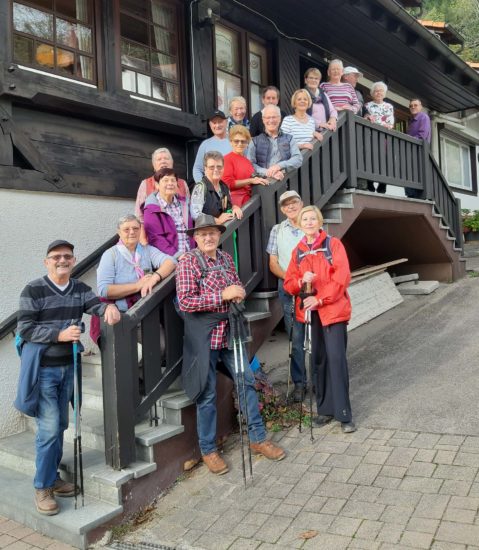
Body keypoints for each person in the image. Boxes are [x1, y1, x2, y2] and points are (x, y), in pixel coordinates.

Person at [16, 240, 121, 515]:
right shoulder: (33, 290)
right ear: (46, 262)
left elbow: (96, 305)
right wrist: (59, 335)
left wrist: (108, 309)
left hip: (69, 368)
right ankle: (42, 486)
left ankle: (52, 477)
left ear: (73, 261)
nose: (62, 260)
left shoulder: (79, 289)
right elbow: (25, 328)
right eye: (56, 257)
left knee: (60, 425)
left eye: (67, 256)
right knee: (50, 429)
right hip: (44, 371)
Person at [176, 214, 286, 474]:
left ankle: (258, 438)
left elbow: (236, 284)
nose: (208, 237)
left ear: (218, 235)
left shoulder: (225, 258)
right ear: (195, 237)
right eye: (203, 234)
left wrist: (238, 293)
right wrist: (222, 295)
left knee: (246, 382)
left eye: (212, 233)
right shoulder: (189, 262)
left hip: (230, 334)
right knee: (207, 394)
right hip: (205, 338)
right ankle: (208, 450)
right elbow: (185, 301)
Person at [284, 206, 356, 434]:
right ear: (299, 224)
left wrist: (320, 298)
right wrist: (301, 281)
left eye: (312, 218)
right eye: (304, 219)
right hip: (310, 313)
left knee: (336, 359)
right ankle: (325, 410)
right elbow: (289, 284)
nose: (308, 222)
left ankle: (344, 413)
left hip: (332, 310)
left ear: (319, 221)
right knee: (319, 361)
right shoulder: (298, 251)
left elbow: (342, 277)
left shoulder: (333, 245)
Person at [266, 191, 306, 402]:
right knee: (296, 338)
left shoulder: (311, 224)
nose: (291, 207)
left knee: (317, 337)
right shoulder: (277, 230)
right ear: (282, 209)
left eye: (294, 202)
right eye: (286, 204)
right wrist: (291, 280)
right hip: (288, 287)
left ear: (301, 203)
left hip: (313, 287)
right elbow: (273, 263)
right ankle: (300, 383)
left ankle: (322, 380)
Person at [97, 215, 176, 312]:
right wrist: (137, 286)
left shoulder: (147, 250)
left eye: (135, 228)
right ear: (119, 232)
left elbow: (171, 262)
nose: (132, 232)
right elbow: (104, 290)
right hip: (122, 313)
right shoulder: (110, 254)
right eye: (126, 229)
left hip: (149, 308)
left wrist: (154, 278)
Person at [135, 148, 190, 245]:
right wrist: (143, 240)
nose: (163, 161)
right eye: (159, 159)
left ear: (172, 163)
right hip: (155, 240)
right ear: (154, 166)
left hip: (183, 240)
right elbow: (139, 217)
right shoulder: (145, 184)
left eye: (166, 158)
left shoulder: (182, 183)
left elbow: (189, 212)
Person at [143, 167, 194, 258]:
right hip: (168, 258)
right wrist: (177, 255)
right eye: (166, 180)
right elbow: (156, 238)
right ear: (157, 185)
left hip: (191, 254)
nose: (170, 183)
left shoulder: (185, 203)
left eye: (173, 180)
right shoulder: (151, 208)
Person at [248, 105, 303, 181]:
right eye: (268, 117)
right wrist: (268, 172)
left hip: (286, 182)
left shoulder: (289, 139)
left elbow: (298, 159)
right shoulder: (255, 141)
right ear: (263, 120)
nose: (271, 120)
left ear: (280, 119)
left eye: (274, 117)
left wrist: (279, 166)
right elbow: (250, 164)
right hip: (263, 184)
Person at [223, 125, 269, 207]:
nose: (240, 144)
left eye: (243, 141)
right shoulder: (227, 159)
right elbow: (227, 184)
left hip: (249, 201)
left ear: (247, 143)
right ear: (231, 142)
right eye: (236, 141)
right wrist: (250, 181)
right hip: (236, 204)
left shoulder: (247, 161)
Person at [190, 151, 243, 223]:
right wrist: (217, 221)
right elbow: (195, 214)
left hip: (225, 229)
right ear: (205, 169)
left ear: (223, 168)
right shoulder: (200, 187)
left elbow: (228, 207)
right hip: (207, 229)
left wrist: (234, 207)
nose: (216, 170)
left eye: (219, 167)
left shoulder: (224, 187)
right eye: (211, 167)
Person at [364, 81, 395, 194]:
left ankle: (382, 185)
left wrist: (378, 123)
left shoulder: (389, 106)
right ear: (372, 93)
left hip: (383, 137)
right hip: (370, 136)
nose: (378, 93)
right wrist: (381, 123)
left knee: (383, 160)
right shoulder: (367, 105)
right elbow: (366, 119)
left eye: (381, 91)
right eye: (376, 91)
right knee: (370, 158)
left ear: (384, 93)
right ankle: (370, 184)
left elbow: (390, 122)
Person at [192, 111, 232, 183]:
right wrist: (204, 186)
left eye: (220, 122)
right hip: (212, 187)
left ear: (226, 122)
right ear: (210, 124)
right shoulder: (205, 144)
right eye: (214, 123)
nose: (217, 125)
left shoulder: (235, 142)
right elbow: (197, 169)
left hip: (233, 186)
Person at [406, 99, 432, 199]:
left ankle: (416, 196)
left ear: (421, 107)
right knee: (409, 171)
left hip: (419, 151)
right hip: (411, 151)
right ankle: (411, 195)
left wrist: (407, 140)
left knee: (417, 173)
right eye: (411, 106)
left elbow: (422, 136)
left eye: (415, 105)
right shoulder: (411, 120)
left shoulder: (423, 117)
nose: (413, 107)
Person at [303, 68, 338, 133]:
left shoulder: (323, 94)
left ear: (319, 81)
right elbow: (301, 115)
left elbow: (332, 110)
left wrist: (332, 119)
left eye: (316, 78)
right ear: (306, 80)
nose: (313, 80)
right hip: (309, 133)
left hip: (325, 132)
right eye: (311, 78)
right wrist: (319, 124)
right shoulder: (302, 94)